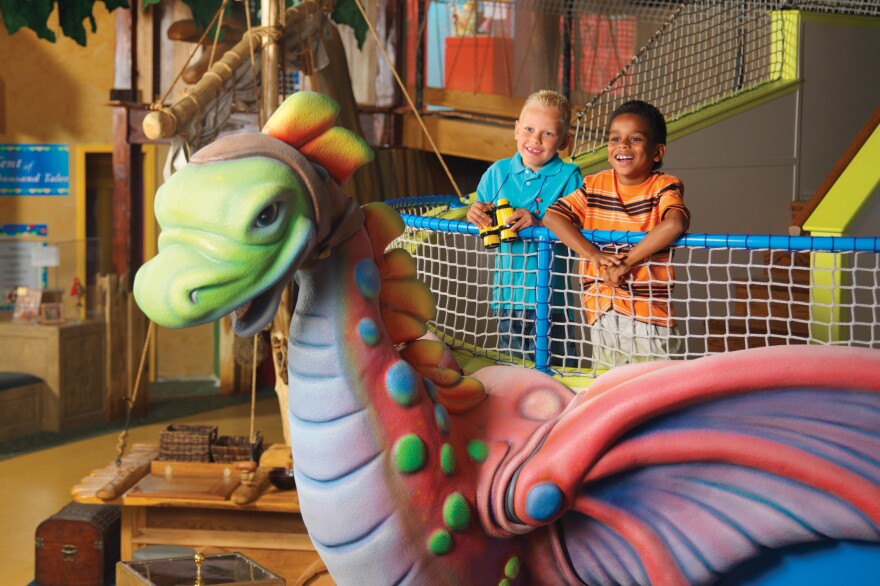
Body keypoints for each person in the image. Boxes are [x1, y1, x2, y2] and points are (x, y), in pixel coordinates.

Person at [543, 100, 690, 368]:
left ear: (657, 152)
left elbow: (675, 224)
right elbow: (552, 216)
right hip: (601, 309)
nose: (622, 145)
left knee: (653, 393)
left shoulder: (664, 186)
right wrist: (594, 255)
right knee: (609, 389)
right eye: (615, 138)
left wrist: (626, 262)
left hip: (648, 316)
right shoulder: (594, 185)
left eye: (634, 138)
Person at [467, 89, 583, 365]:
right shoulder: (496, 172)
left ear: (565, 141)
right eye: (529, 129)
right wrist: (474, 214)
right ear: (517, 130)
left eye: (548, 133)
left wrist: (540, 223)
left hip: (550, 301)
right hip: (507, 300)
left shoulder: (569, 176)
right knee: (516, 375)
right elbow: (479, 213)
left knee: (558, 375)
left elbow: (578, 230)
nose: (535, 139)